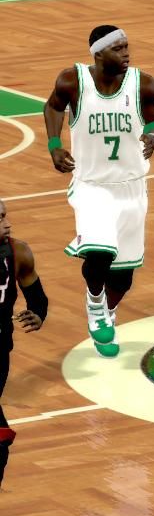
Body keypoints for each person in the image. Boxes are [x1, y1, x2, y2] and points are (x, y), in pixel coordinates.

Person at [43, 24, 154, 358]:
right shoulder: (72, 81)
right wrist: (54, 145)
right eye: (118, 48)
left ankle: (108, 310)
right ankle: (95, 304)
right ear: (98, 53)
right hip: (92, 186)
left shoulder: (143, 84)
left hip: (132, 187)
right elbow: (52, 107)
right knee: (100, 251)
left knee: (123, 278)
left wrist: (153, 136)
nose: (127, 53)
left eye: (127, 46)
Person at [0, 198, 49, 499]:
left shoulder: (18, 252)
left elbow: (38, 298)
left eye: (6, 216)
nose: (7, 224)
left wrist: (38, 314)